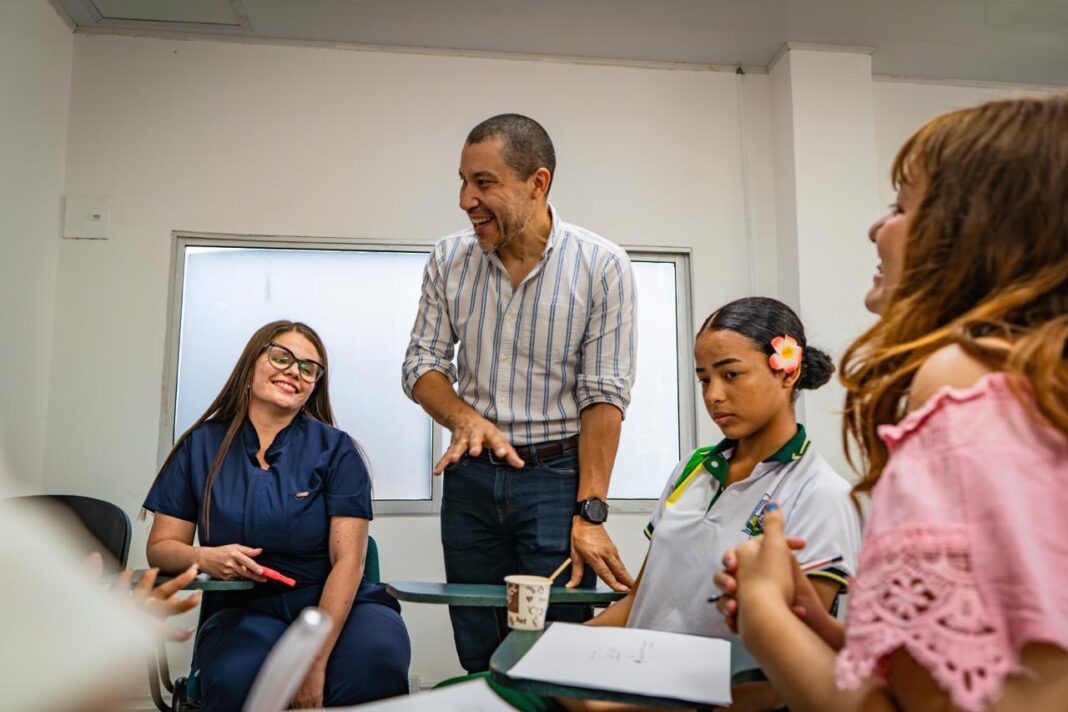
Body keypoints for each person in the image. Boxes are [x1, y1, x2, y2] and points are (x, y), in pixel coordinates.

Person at [714, 95, 1068, 711]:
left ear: (974, 235)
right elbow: (996, 671)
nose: (876, 228)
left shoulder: (962, 381)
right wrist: (826, 631)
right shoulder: (1036, 388)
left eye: (901, 206)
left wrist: (766, 618)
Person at [402, 113, 638, 673]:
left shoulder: (601, 265)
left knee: (559, 644)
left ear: (538, 183)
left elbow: (604, 395)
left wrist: (591, 511)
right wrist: (464, 419)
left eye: (484, 183)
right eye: (462, 181)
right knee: (478, 638)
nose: (466, 199)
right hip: (472, 476)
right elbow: (422, 364)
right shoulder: (447, 259)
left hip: (557, 480)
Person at [557, 297, 860, 712]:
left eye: (731, 374)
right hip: (632, 682)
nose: (714, 395)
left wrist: (626, 708)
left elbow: (781, 679)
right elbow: (639, 603)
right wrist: (557, 652)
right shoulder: (691, 471)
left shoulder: (820, 495)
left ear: (787, 370)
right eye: (704, 379)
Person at [143, 320, 411, 711]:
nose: (293, 372)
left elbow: (349, 561)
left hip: (336, 606)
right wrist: (206, 558)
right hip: (244, 607)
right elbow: (162, 548)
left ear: (313, 387)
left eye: (308, 368)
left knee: (374, 668)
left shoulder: (337, 450)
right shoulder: (199, 446)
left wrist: (313, 664)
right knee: (240, 684)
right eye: (281, 357)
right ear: (251, 365)